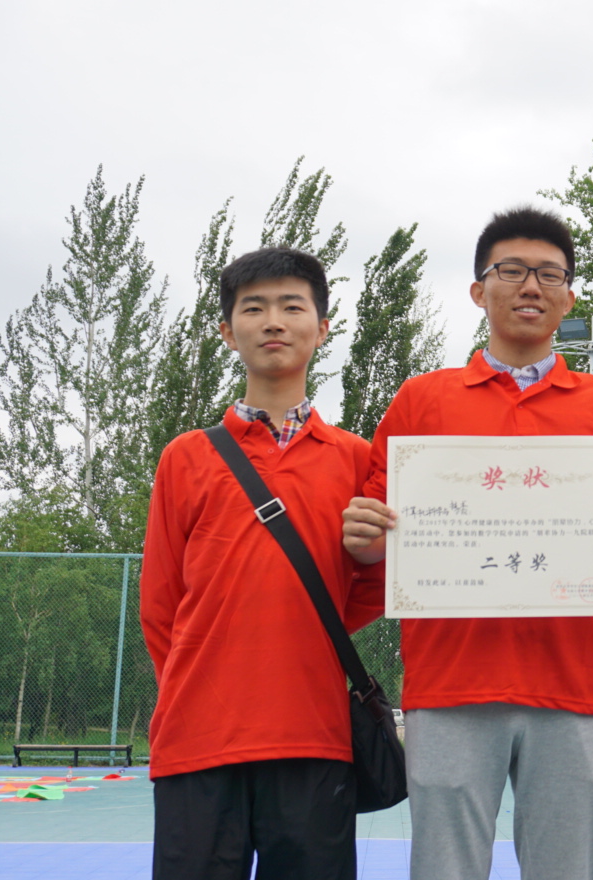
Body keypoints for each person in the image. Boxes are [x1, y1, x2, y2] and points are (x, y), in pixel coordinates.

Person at [341, 206, 593, 880]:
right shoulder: (421, 401)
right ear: (479, 290)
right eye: (513, 271)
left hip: (574, 684)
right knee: (446, 868)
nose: (531, 286)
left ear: (569, 298)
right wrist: (365, 537)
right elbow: (376, 541)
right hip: (451, 683)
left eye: (550, 274)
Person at [141, 246, 382, 880]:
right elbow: (161, 604)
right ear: (228, 331)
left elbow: (376, 583)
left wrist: (300, 627)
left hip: (314, 735)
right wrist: (194, 691)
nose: (273, 321)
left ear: (322, 328)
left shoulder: (358, 459)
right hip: (197, 739)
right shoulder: (185, 457)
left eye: (291, 306)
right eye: (254, 308)